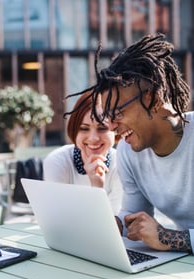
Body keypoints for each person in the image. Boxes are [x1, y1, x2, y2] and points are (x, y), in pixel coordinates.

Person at [81, 33, 193, 253]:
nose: (111, 126)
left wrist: (169, 238)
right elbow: (134, 215)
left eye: (118, 113)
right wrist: (117, 225)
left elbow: (163, 237)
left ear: (153, 99)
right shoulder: (128, 150)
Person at [43, 91, 122, 214]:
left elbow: (114, 225)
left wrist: (97, 187)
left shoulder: (122, 164)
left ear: (116, 130)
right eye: (84, 128)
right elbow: (58, 218)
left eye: (102, 128)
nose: (93, 138)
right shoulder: (57, 161)